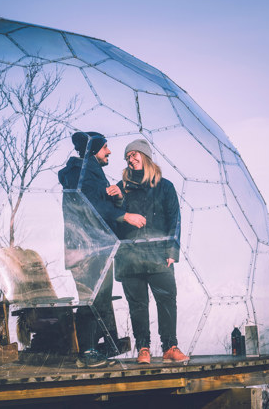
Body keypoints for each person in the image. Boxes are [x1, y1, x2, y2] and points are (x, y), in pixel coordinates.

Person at [57, 131, 145, 368]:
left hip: (96, 247)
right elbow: (90, 208)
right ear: (93, 150)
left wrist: (116, 196)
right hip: (86, 248)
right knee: (91, 297)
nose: (109, 151)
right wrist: (123, 214)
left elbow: (99, 203)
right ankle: (87, 350)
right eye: (105, 147)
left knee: (100, 298)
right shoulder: (80, 174)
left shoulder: (92, 175)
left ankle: (98, 347)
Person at [114, 138, 188, 364]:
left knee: (167, 300)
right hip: (130, 258)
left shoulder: (165, 187)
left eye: (135, 154)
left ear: (146, 157)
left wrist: (171, 251)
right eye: (128, 156)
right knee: (137, 305)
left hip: (159, 256)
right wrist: (117, 203)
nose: (131, 158)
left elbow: (174, 220)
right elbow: (113, 223)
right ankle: (143, 348)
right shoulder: (121, 188)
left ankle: (170, 347)